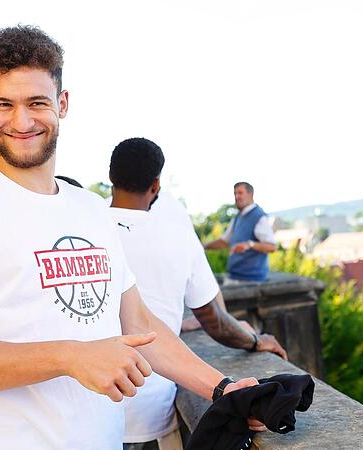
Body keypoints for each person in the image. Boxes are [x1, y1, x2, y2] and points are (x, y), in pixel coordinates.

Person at [0, 26, 262, 450]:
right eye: (4, 104)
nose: (21, 121)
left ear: (62, 103)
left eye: (37, 102)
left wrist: (222, 388)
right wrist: (70, 356)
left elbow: (140, 324)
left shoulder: (90, 209)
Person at [108, 138, 288, 450]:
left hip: (90, 414)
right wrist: (258, 341)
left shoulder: (89, 231)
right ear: (155, 185)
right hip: (150, 410)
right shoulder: (177, 235)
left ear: (111, 178)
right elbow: (213, 320)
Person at [203, 182, 277, 283]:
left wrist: (250, 244)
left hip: (252, 281)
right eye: (235, 193)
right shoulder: (237, 217)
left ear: (250, 194)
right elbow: (224, 241)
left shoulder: (259, 217)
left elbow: (272, 247)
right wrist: (202, 246)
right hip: (234, 276)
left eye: (240, 193)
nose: (237, 197)